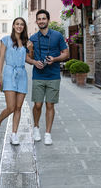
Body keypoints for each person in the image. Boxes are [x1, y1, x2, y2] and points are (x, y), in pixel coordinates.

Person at [27, 9, 69, 145]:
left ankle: (48, 134)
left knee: (50, 105)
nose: (41, 21)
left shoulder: (57, 36)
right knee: (37, 105)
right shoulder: (32, 38)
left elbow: (66, 53)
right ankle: (36, 128)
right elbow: (27, 57)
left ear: (48, 20)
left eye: (43, 19)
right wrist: (34, 61)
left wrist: (55, 59)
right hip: (38, 75)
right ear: (36, 21)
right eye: (39, 19)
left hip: (54, 75)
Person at [0, 17, 33, 145]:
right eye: (17, 24)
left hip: (22, 74)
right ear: (13, 25)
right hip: (9, 73)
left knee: (18, 107)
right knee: (10, 107)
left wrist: (30, 49)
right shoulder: (5, 40)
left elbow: (28, 58)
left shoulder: (26, 41)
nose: (19, 26)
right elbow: (1, 59)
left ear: (24, 27)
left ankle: (14, 134)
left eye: (22, 24)